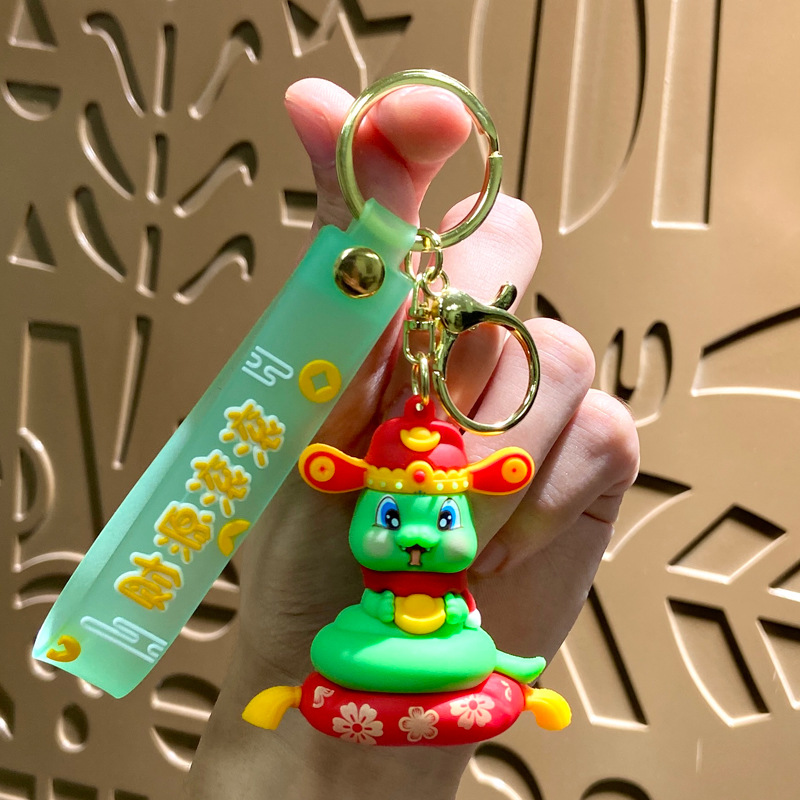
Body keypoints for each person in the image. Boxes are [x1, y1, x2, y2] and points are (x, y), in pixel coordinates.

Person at [185, 78, 640, 799]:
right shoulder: (359, 605)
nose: (419, 539)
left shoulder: (458, 607)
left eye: (442, 518)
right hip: (362, 667)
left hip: (431, 672)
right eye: (394, 516)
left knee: (466, 655)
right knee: (348, 650)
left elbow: (474, 649)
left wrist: (501, 669)